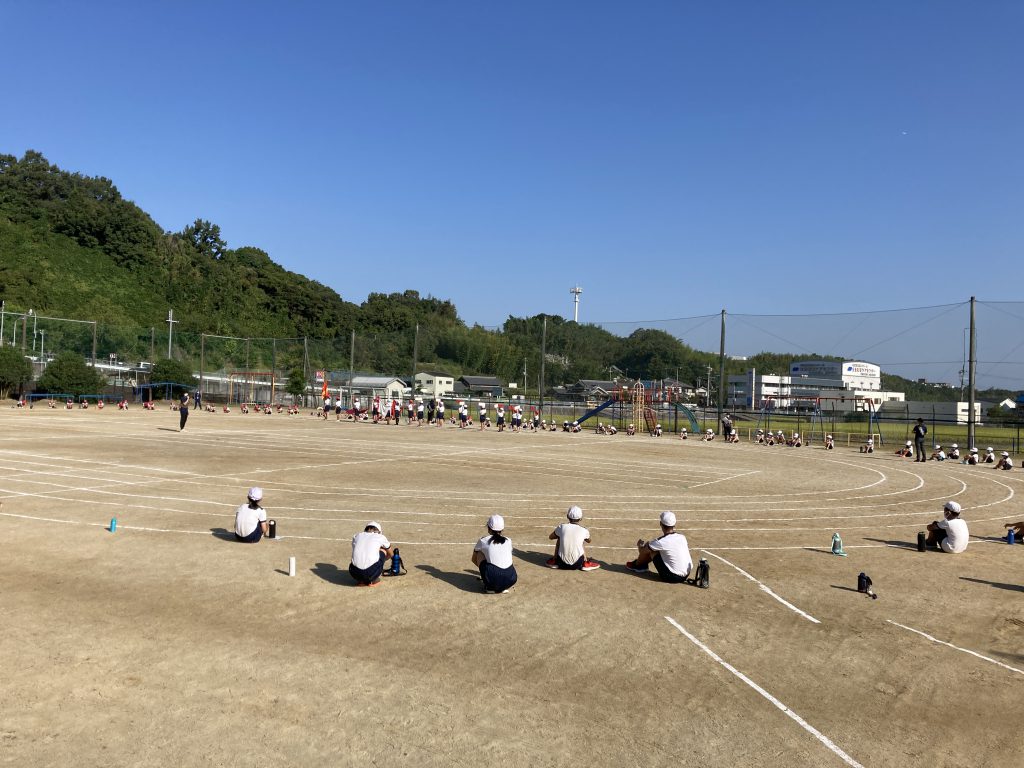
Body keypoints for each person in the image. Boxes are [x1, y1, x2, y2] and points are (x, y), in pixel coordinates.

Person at [626, 511, 693, 583]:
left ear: (660, 523)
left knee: (652, 550)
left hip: (672, 577)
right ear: (674, 525)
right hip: (686, 574)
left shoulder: (661, 542)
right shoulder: (682, 537)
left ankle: (638, 566)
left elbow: (643, 552)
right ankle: (642, 565)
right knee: (657, 548)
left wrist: (640, 546)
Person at [472, 514, 518, 593]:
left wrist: (484, 574)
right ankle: (501, 585)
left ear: (489, 528)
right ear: (502, 529)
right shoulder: (508, 540)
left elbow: (474, 559)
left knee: (479, 553)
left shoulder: (483, 540)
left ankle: (491, 586)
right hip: (511, 578)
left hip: (493, 580)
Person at [547, 505, 600, 570]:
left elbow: (551, 537)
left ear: (567, 516)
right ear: (581, 518)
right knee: (581, 540)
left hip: (561, 563)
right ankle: (585, 563)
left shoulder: (562, 527)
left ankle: (554, 560)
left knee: (559, 537)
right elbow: (589, 541)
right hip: (578, 563)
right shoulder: (584, 530)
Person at [349, 521, 392, 586]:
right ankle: (373, 580)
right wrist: (383, 560)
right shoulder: (380, 537)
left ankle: (361, 581)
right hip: (370, 573)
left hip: (354, 573)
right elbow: (391, 554)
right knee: (383, 550)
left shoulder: (357, 536)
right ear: (379, 531)